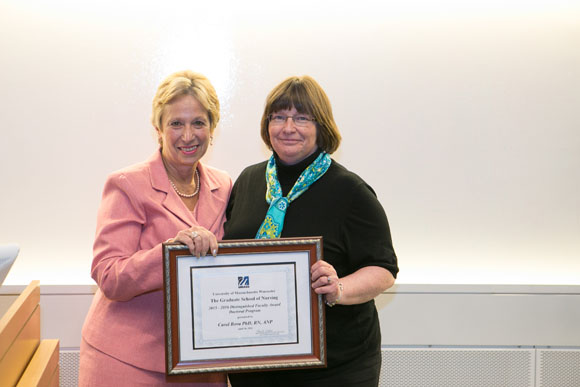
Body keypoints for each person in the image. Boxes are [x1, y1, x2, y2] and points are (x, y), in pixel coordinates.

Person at [224, 75, 399, 387]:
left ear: (322, 127)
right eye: (278, 117)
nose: (288, 127)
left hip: (335, 369)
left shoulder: (350, 191)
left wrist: (339, 289)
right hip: (256, 365)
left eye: (301, 118)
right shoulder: (249, 182)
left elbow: (383, 269)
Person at [79, 70, 232, 386]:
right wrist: (171, 253)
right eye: (176, 123)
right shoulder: (127, 184)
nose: (187, 135)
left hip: (202, 361)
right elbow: (108, 275)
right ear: (158, 130)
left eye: (198, 123)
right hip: (127, 360)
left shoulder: (225, 184)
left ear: (212, 128)